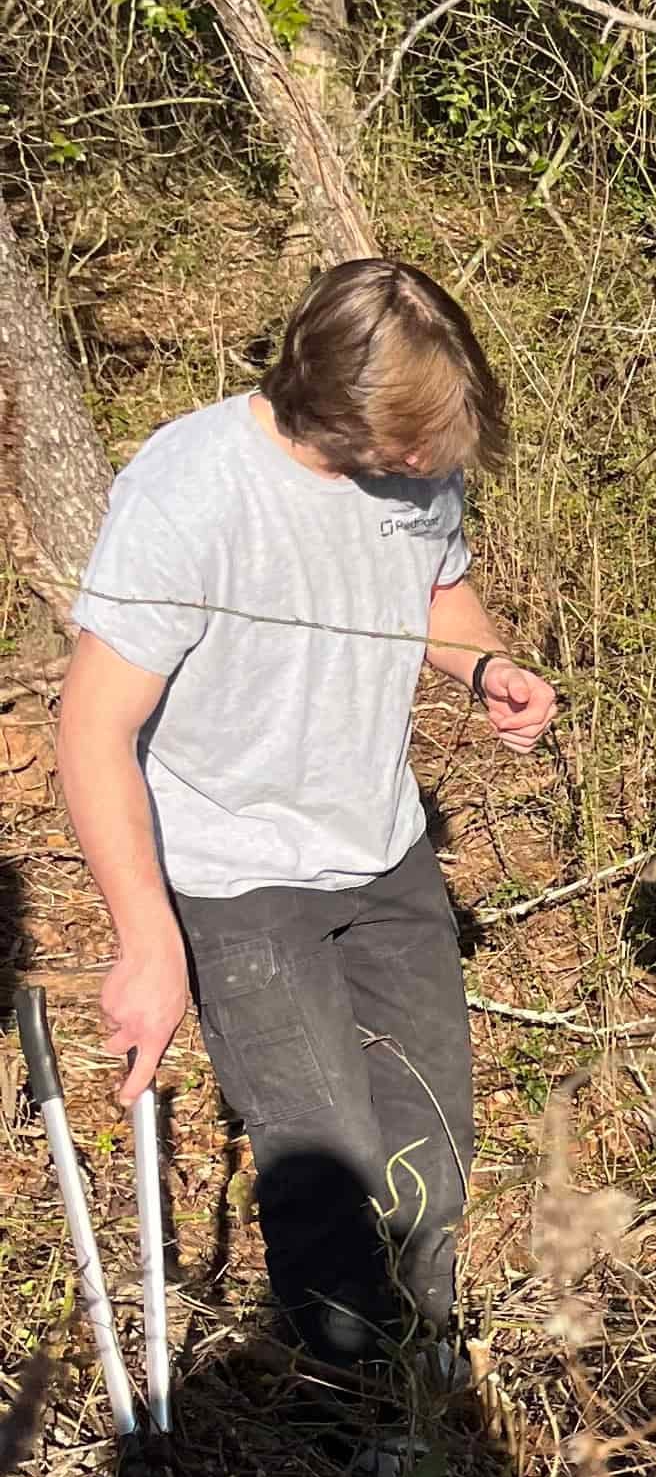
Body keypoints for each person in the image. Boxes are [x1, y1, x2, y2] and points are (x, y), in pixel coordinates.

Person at [57, 257, 558, 1374]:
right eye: (412, 444)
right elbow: (90, 735)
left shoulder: (420, 469)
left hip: (381, 848)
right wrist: (148, 942)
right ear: (334, 406)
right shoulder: (188, 491)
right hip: (235, 874)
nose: (431, 465)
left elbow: (439, 590)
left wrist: (488, 672)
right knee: (329, 1163)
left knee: (433, 1145)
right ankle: (349, 1425)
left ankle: (427, 1391)